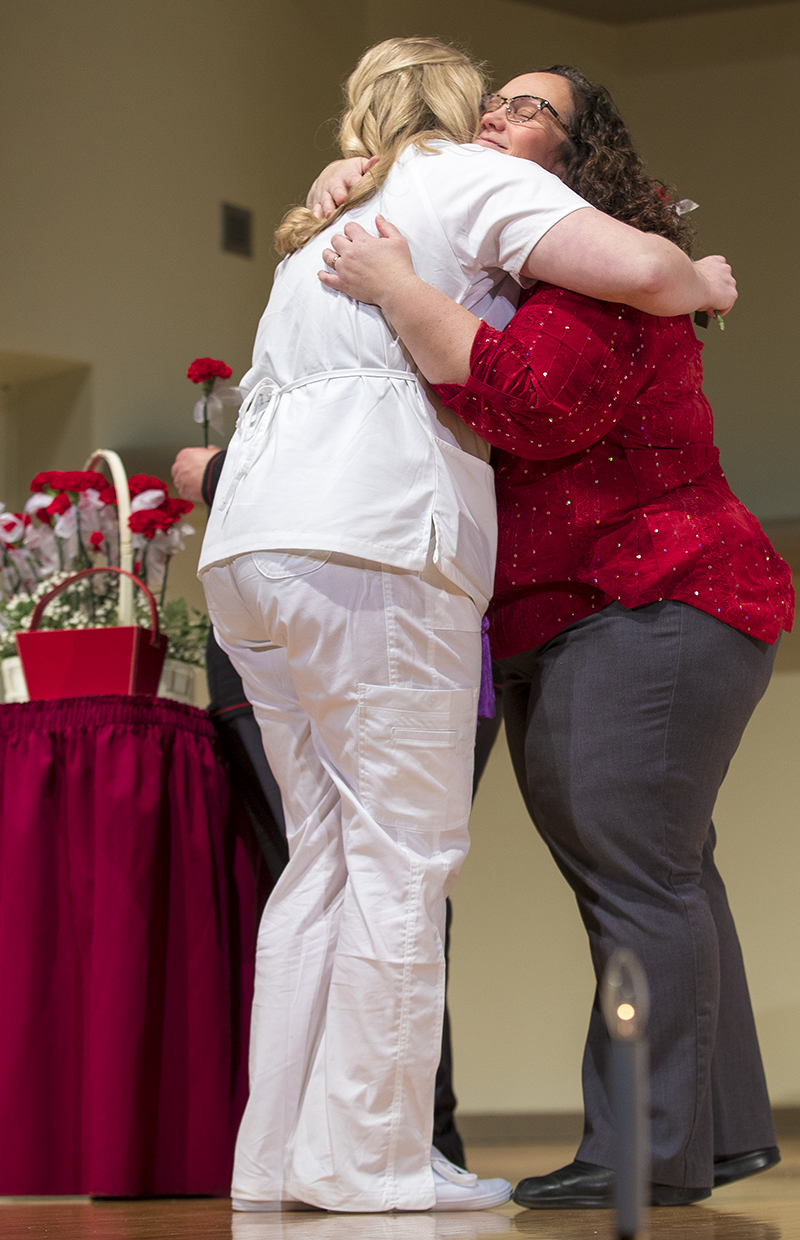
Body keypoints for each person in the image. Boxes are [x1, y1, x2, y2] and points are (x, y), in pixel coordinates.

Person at [197, 38, 737, 1215]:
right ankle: (371, 1158)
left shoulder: (321, 224)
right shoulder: (462, 180)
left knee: (322, 863)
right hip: (367, 541)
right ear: (456, 116)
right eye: (490, 101)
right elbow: (642, 265)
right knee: (404, 855)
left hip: (250, 551)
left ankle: (280, 1155)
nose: (502, 120)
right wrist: (700, 278)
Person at [317, 64, 793, 1209]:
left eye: (527, 109)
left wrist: (389, 282)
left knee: (633, 874)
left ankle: (643, 1154)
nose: (494, 116)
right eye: (490, 103)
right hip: (589, 611)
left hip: (652, 594)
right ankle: (712, 1134)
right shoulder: (516, 265)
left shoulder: (591, 264)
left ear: (579, 156)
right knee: (663, 872)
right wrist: (357, 186)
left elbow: (538, 405)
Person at [173, 442, 504, 1169]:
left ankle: (374, 1145)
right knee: (371, 884)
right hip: (360, 622)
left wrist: (221, 472)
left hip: (390, 618)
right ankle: (374, 1145)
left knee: (369, 882)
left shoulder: (400, 346)